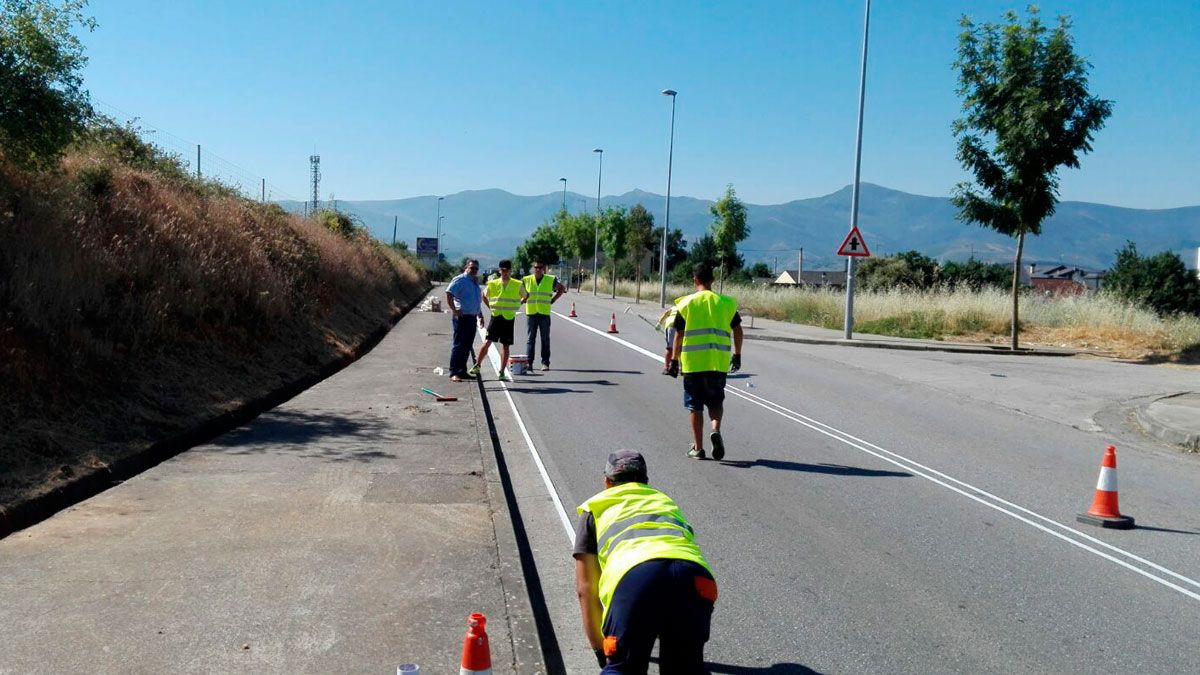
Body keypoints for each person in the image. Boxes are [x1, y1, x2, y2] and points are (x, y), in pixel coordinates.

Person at [574, 450, 717, 673]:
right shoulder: (663, 500)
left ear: (607, 482)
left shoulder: (596, 508)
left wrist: (602, 653)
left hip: (636, 578)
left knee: (625, 668)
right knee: (685, 668)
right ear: (646, 481)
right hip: (697, 577)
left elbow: (586, 589)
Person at [666, 263, 743, 460]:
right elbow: (737, 330)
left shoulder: (686, 304)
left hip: (693, 365)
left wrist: (673, 360)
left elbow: (679, 335)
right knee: (716, 401)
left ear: (695, 280)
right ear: (712, 280)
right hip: (717, 363)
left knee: (695, 405)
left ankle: (698, 448)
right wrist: (738, 354)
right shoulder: (725, 303)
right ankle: (715, 429)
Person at [469, 259, 521, 382]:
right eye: (502, 270)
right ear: (499, 270)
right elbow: (484, 295)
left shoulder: (517, 284)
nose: (505, 272)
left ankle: (502, 372)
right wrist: (490, 307)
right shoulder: (493, 283)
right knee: (487, 342)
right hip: (496, 316)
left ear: (510, 271)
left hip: (508, 317)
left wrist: (516, 306)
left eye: (507, 270)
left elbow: (526, 295)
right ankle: (477, 365)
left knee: (506, 346)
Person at [521, 259, 566, 371]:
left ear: (544, 269)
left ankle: (545, 363)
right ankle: (529, 363)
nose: (538, 269)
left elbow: (561, 288)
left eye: (540, 267)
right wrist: (522, 298)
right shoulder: (526, 280)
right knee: (530, 339)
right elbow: (518, 290)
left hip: (544, 313)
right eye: (536, 267)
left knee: (545, 339)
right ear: (533, 268)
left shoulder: (550, 279)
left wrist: (554, 299)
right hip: (531, 313)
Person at [444, 259, 485, 383]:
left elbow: (476, 300)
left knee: (467, 345)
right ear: (466, 267)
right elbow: (449, 293)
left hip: (472, 317)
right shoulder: (460, 279)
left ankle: (462, 370)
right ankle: (454, 372)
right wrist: (454, 310)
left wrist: (480, 314)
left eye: (476, 269)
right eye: (472, 268)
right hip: (462, 317)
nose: (474, 270)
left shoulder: (474, 282)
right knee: (459, 345)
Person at [655, 304, 679, 376]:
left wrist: (659, 323)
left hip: (671, 325)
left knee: (671, 347)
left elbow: (666, 313)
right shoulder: (686, 306)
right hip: (676, 325)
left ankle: (667, 367)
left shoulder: (674, 307)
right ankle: (669, 367)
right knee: (677, 347)